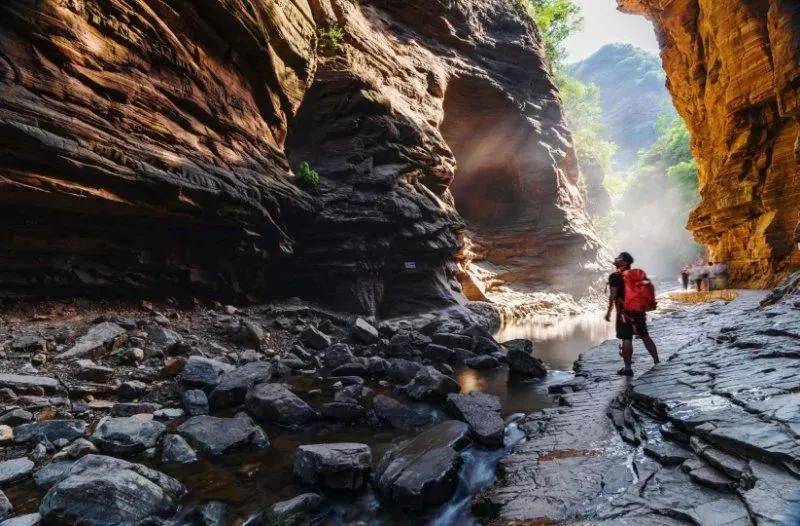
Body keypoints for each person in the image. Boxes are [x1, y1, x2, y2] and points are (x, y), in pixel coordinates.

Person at [604, 252, 660, 376]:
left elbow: (613, 295)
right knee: (645, 336)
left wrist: (608, 312)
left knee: (627, 338)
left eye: (618, 258)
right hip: (638, 310)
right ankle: (657, 361)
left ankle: (628, 368)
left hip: (624, 313)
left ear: (624, 262)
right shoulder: (635, 275)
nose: (615, 259)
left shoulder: (615, 276)